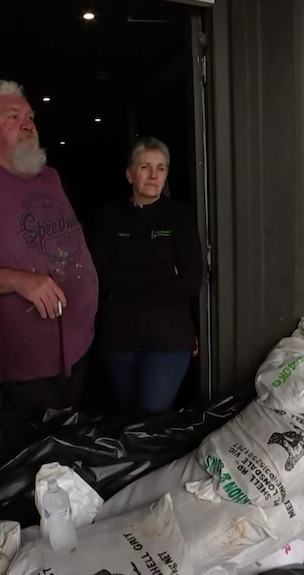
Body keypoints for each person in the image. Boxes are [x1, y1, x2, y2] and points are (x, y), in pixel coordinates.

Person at [0, 78, 98, 416]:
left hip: (78, 343)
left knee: (67, 445)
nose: (27, 124)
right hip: (25, 363)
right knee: (32, 454)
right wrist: (20, 280)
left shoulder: (49, 176)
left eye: (29, 117)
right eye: (12, 117)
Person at [92, 137, 203, 416]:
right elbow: (100, 275)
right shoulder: (109, 216)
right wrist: (164, 278)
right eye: (145, 167)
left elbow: (191, 281)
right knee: (126, 414)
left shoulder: (180, 216)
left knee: (153, 413)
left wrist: (128, 280)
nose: (154, 175)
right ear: (130, 173)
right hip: (118, 338)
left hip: (168, 339)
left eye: (161, 168)